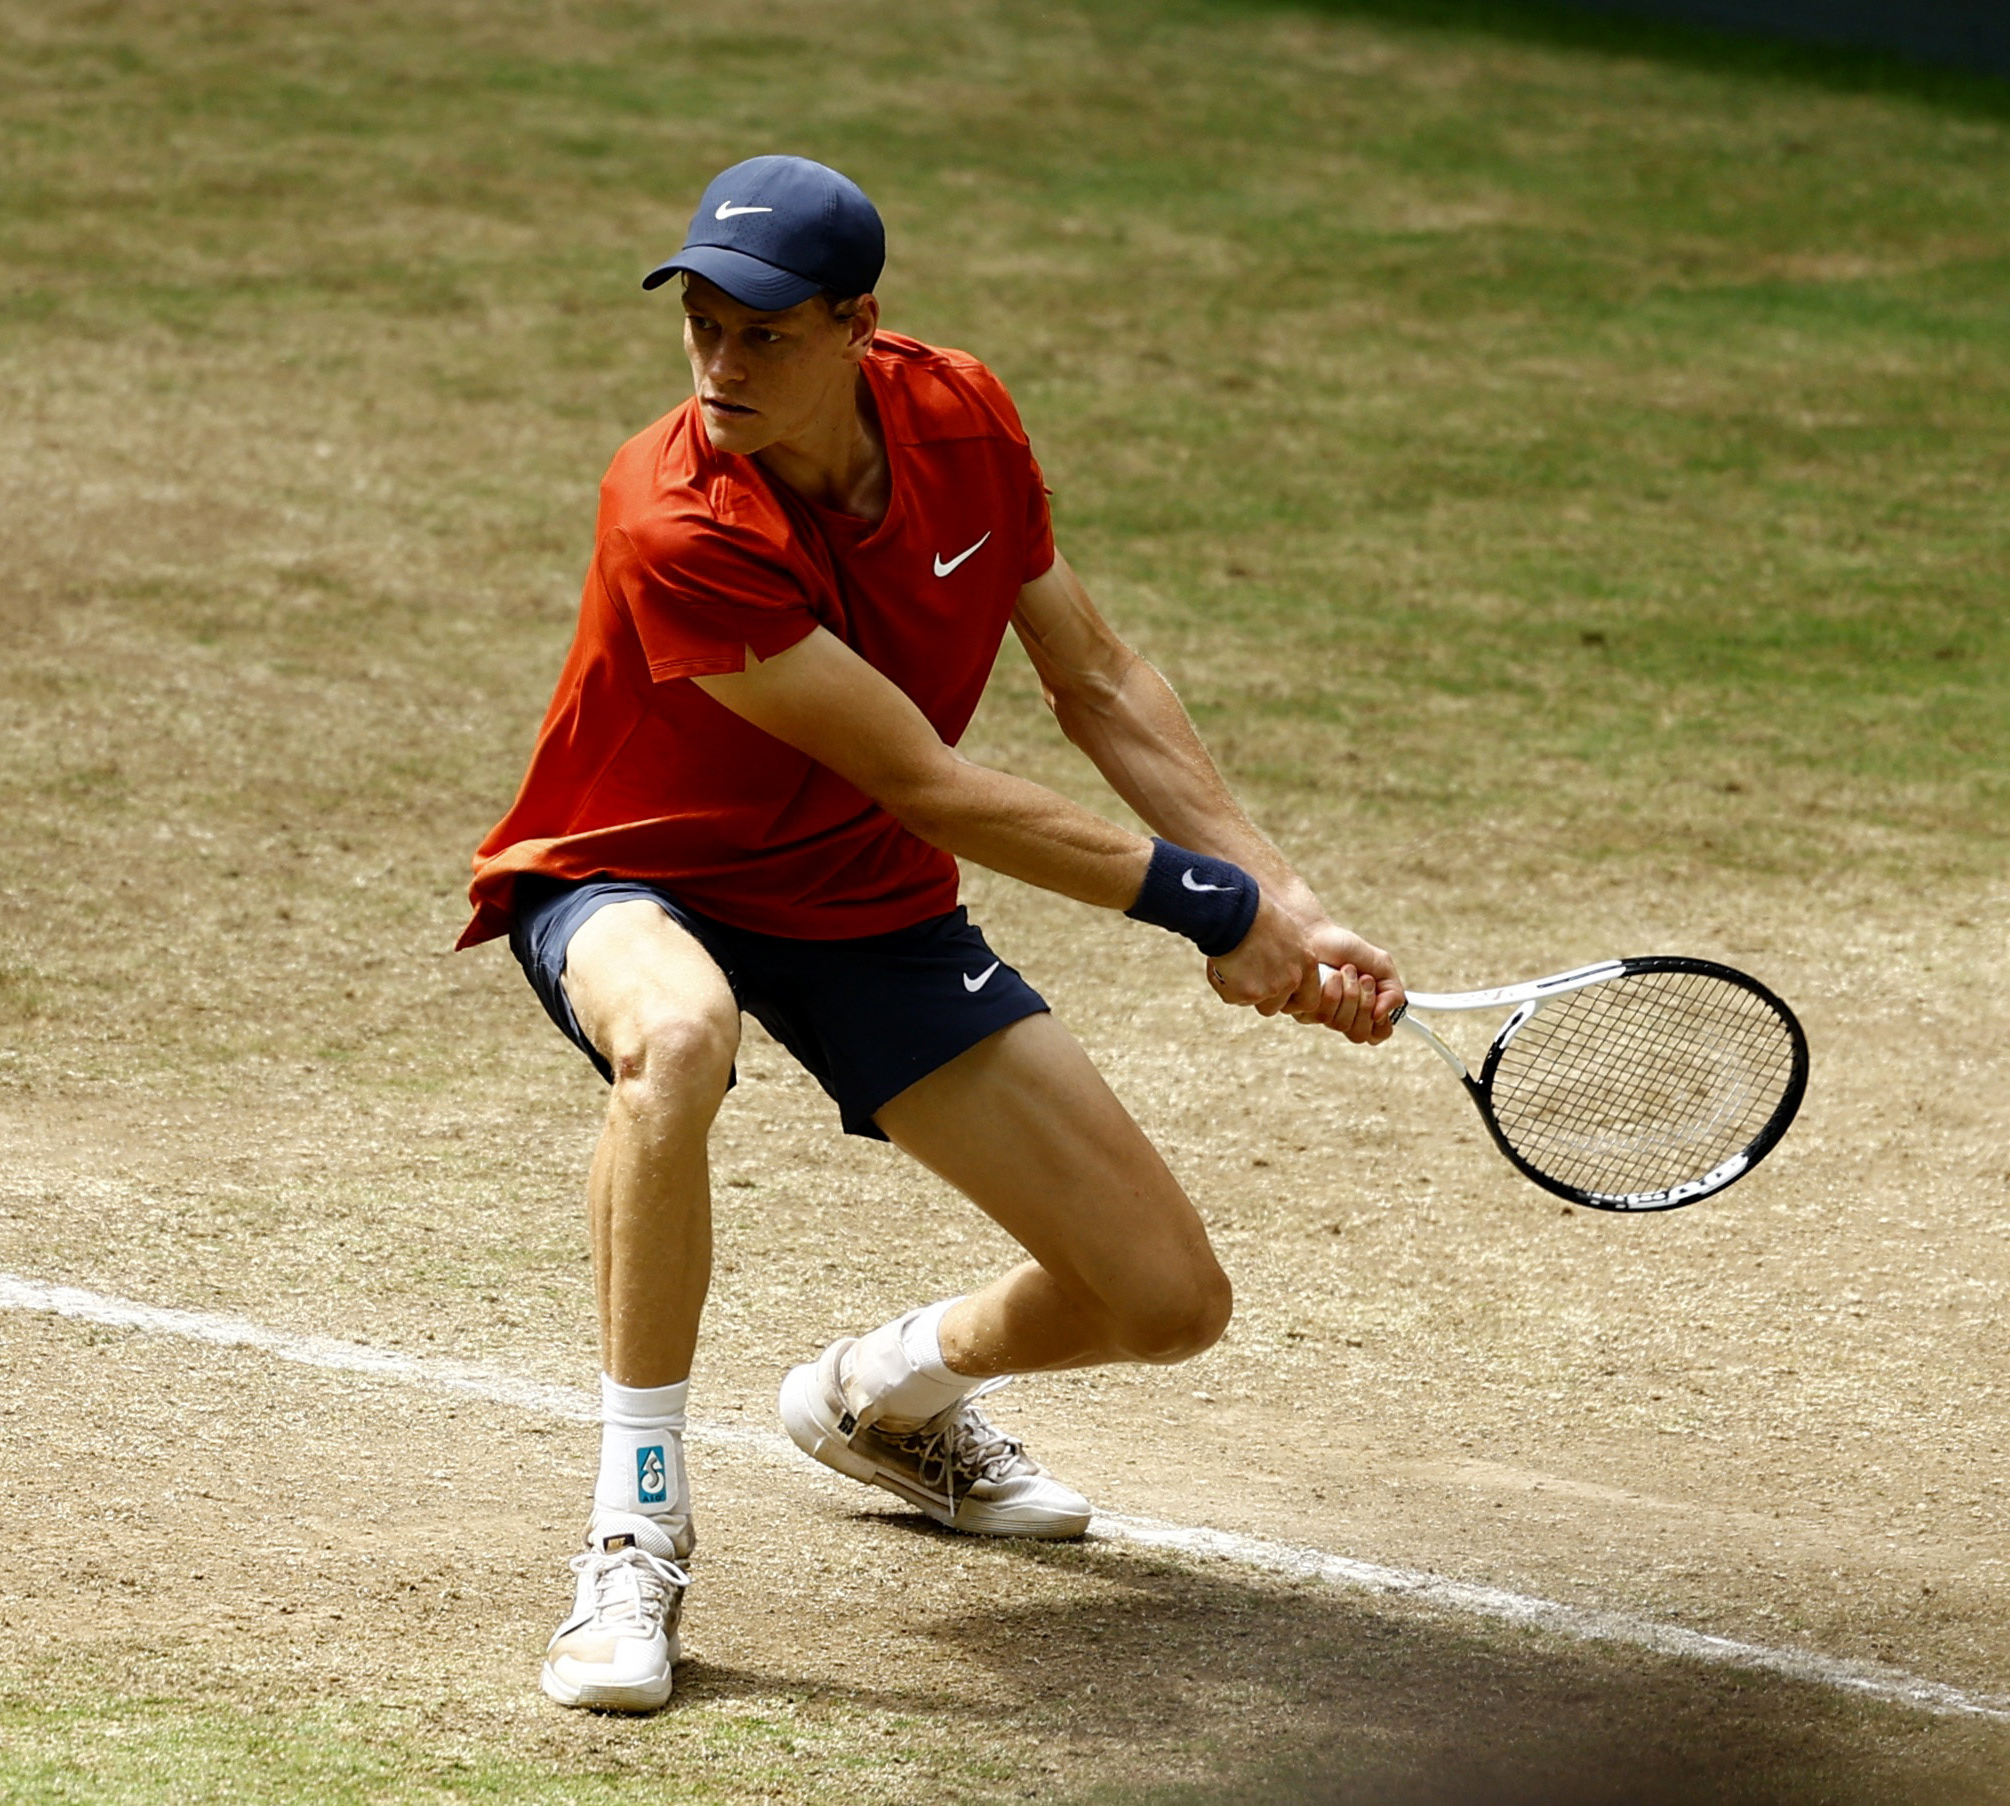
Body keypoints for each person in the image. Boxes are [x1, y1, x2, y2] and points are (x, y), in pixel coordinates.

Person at [458, 155, 1405, 1714]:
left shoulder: (961, 416)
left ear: (859, 325)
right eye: (700, 324)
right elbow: (930, 779)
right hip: (634, 874)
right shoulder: (675, 506)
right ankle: (635, 1530)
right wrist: (1208, 908)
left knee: (1167, 1300)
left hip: (861, 901)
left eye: (764, 331)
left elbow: (1092, 673)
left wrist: (1287, 903)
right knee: (678, 1040)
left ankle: (883, 1400)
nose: (721, 363)